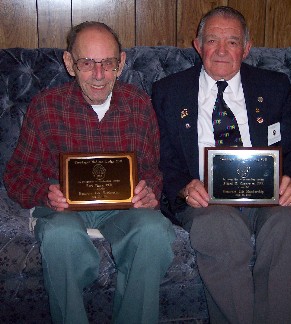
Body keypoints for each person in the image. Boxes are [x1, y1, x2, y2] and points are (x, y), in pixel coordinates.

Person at [152, 6, 291, 324]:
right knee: (219, 228)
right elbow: (162, 161)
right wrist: (184, 187)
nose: (222, 51)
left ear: (247, 47)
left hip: (268, 198)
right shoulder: (169, 92)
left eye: (232, 41)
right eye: (213, 41)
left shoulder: (274, 87)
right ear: (198, 46)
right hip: (206, 201)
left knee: (288, 224)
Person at [4, 21, 175, 324]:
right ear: (69, 63)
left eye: (107, 63)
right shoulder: (45, 106)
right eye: (87, 63)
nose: (98, 75)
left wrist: (150, 192)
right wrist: (45, 193)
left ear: (121, 63)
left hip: (121, 209)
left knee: (153, 231)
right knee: (59, 236)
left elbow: (152, 169)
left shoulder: (138, 104)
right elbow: (17, 175)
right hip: (65, 209)